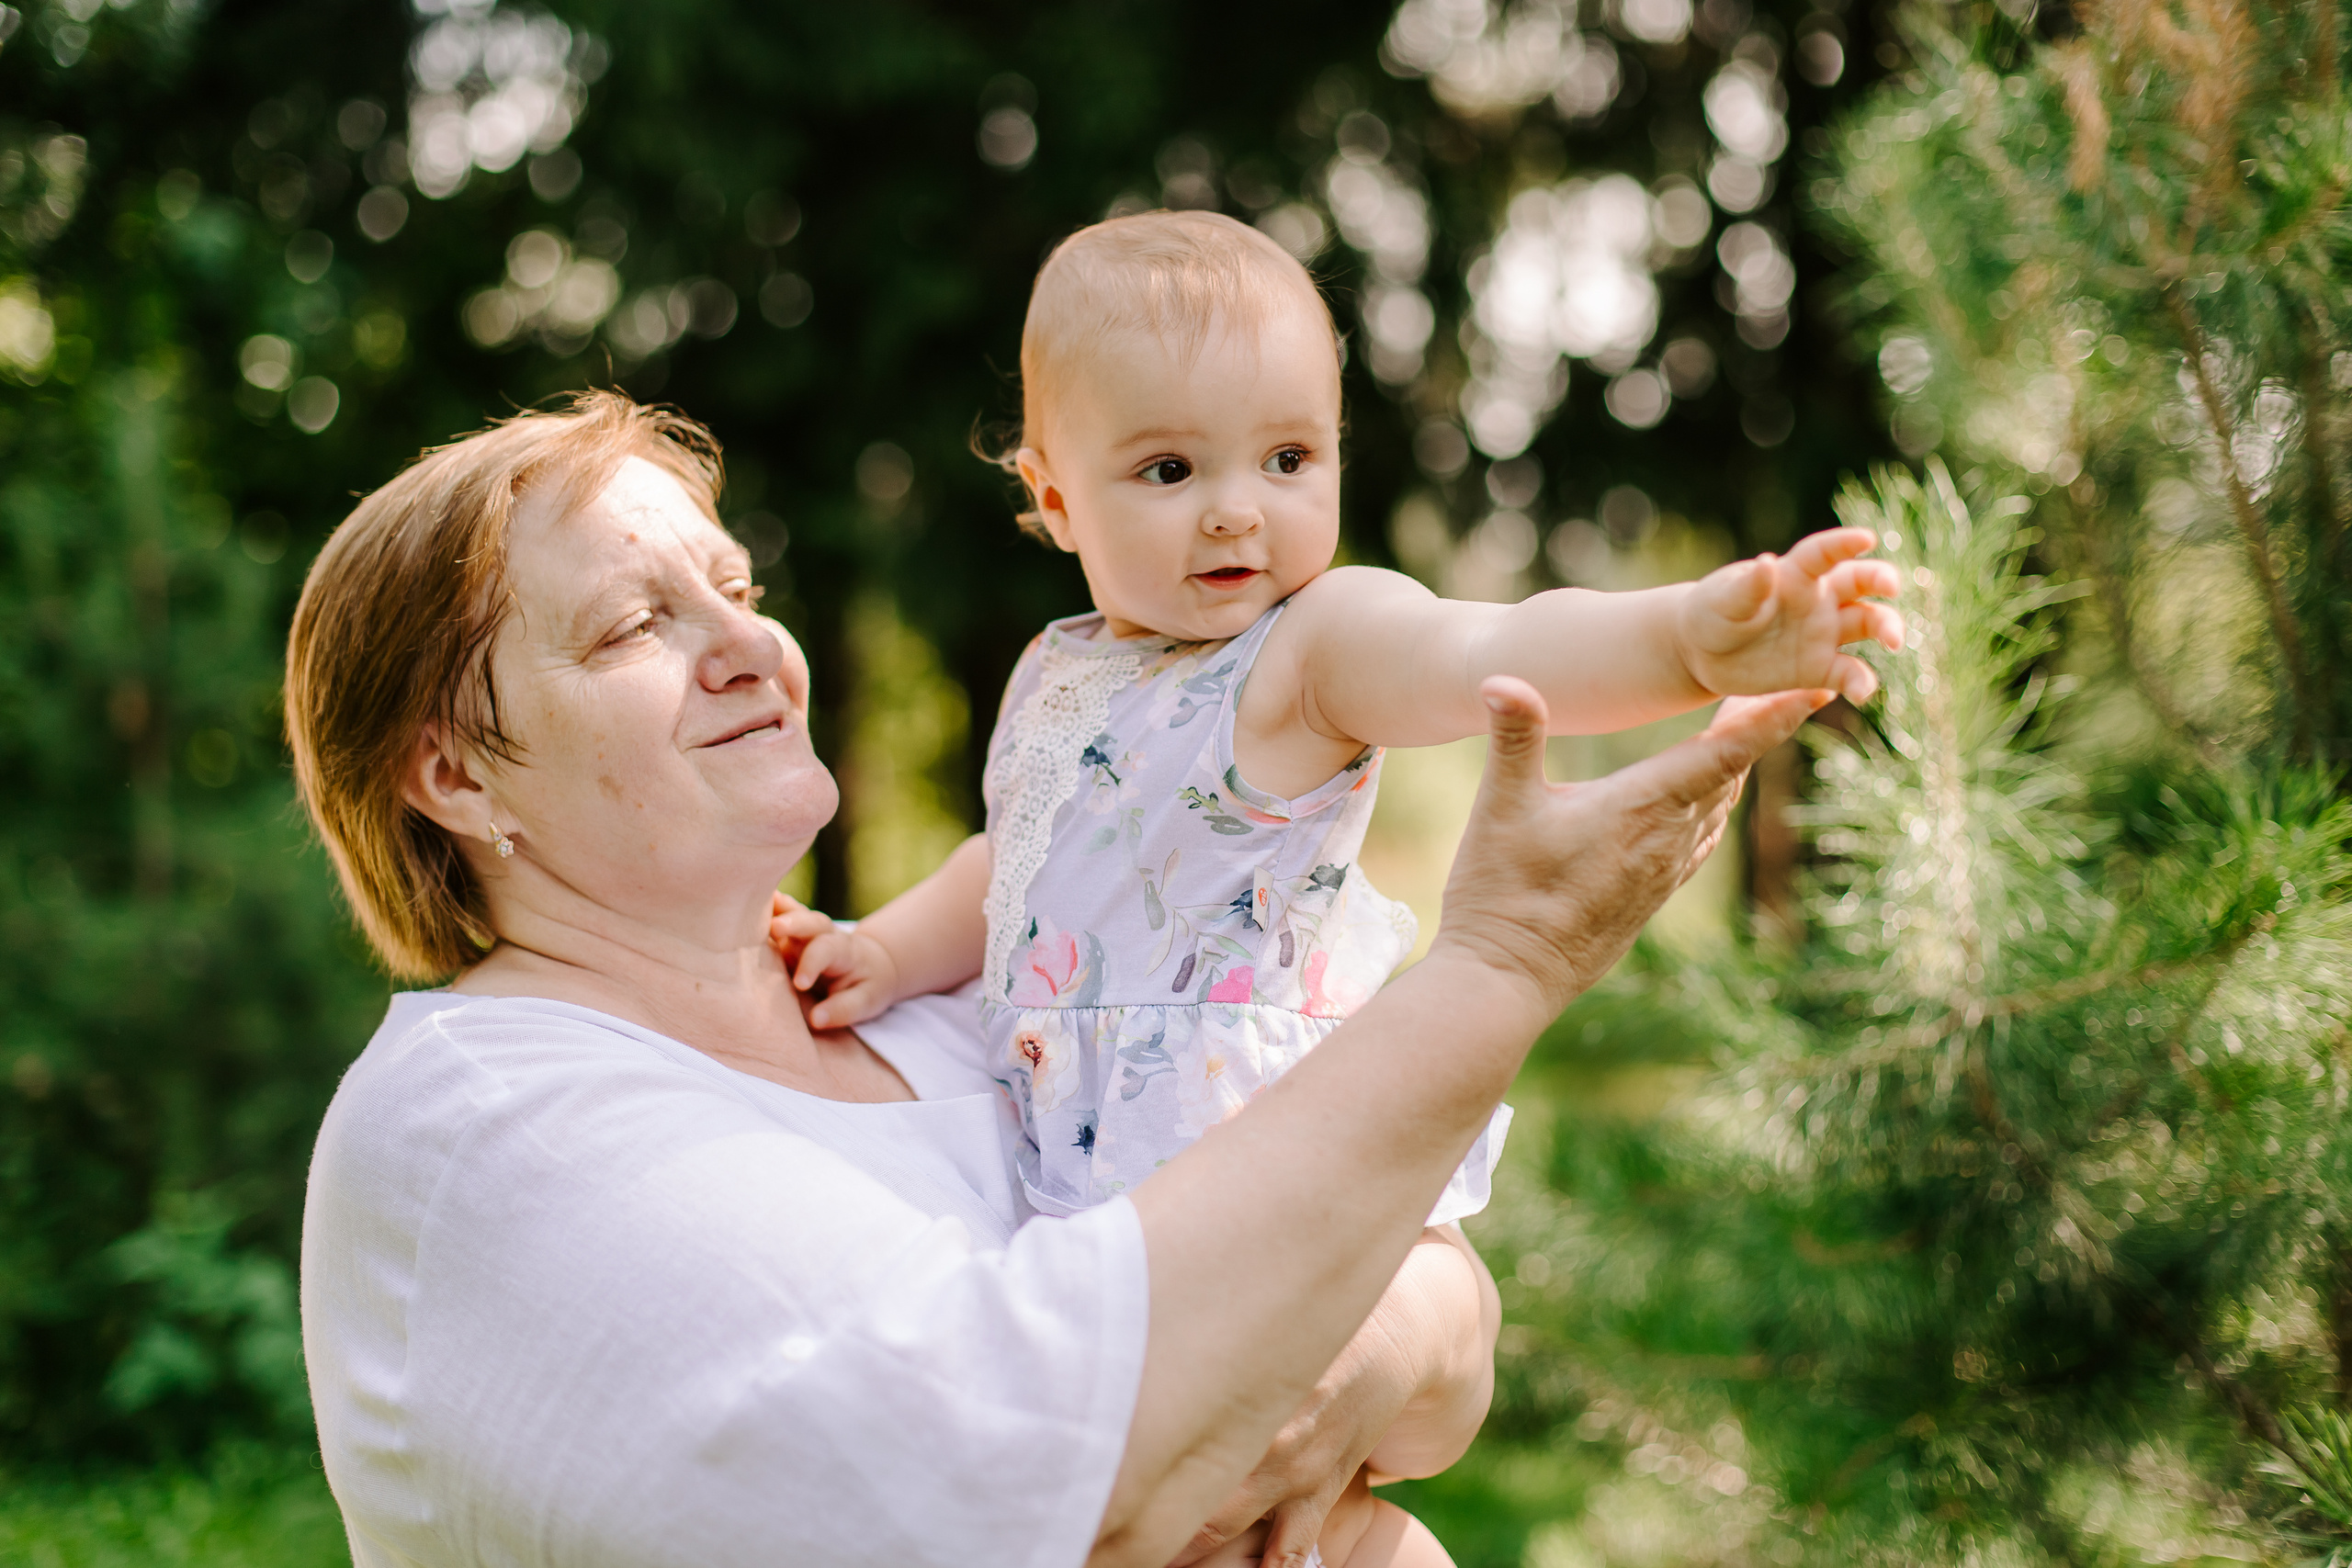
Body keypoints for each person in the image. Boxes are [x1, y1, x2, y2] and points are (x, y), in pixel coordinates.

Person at [288, 389, 1823, 1568]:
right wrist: (1499, 967)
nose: (749, 642)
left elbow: (1449, 1350)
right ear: (453, 775)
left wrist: (1368, 1338)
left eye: (733, 586)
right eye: (636, 621)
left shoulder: (967, 1008)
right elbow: (1036, 1473)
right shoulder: (477, 1125)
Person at [774, 210, 1904, 1562]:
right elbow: (1013, 858)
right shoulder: (1058, 671)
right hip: (1117, 1216)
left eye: (1288, 457)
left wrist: (1689, 639)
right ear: (1056, 494)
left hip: (1292, 1163)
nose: (1239, 506)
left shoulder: (1311, 649)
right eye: (1171, 466)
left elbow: (1492, 642)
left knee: (1347, 1442)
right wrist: (892, 953)